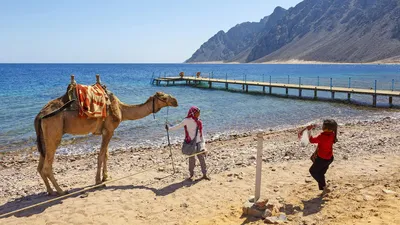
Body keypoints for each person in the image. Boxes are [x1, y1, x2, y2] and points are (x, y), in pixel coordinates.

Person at [166, 106, 210, 181]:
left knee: (202, 158)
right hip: (191, 144)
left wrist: (203, 146)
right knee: (191, 160)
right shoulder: (187, 120)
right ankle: (191, 175)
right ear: (193, 113)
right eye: (197, 113)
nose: (199, 114)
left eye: (199, 113)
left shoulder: (199, 121)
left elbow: (201, 135)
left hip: (199, 143)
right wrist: (169, 129)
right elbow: (178, 126)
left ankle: (205, 174)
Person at [299, 119, 338, 194]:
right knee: (320, 173)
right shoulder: (332, 134)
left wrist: (309, 131)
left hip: (322, 159)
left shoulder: (322, 136)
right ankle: (324, 188)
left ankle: (324, 186)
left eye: (323, 126)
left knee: (313, 171)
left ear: (327, 128)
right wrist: (313, 127)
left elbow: (312, 140)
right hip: (329, 158)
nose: (322, 126)